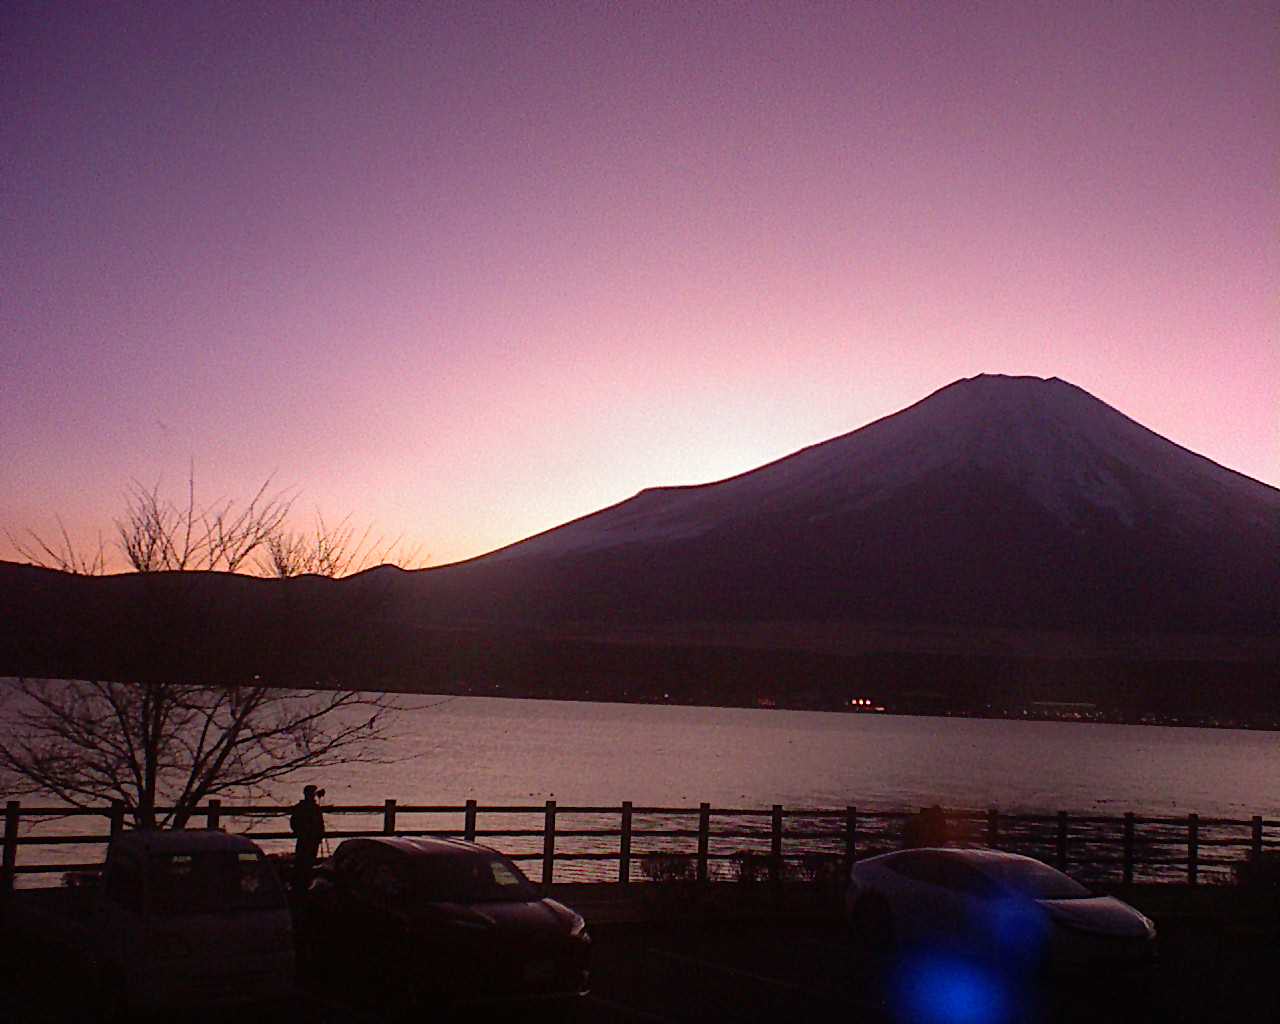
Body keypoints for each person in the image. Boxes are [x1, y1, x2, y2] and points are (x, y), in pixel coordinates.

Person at [289, 784, 326, 894]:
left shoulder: (308, 808)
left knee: (306, 860)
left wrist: (319, 834)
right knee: (303, 860)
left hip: (310, 838)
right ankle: (301, 883)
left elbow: (320, 824)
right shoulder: (308, 808)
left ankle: (302, 882)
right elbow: (295, 823)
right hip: (307, 838)